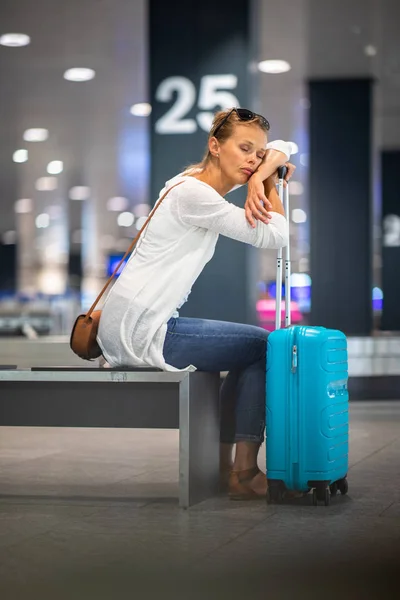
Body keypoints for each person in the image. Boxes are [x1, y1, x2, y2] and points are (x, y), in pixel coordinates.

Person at [97, 107, 296, 500]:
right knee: (262, 344)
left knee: (253, 347)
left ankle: (228, 468)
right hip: (141, 329)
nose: (253, 159)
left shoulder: (188, 182)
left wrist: (262, 170)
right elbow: (275, 235)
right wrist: (265, 178)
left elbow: (285, 147)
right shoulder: (194, 195)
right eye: (244, 149)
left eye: (258, 152)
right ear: (214, 146)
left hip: (134, 323)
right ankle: (240, 473)